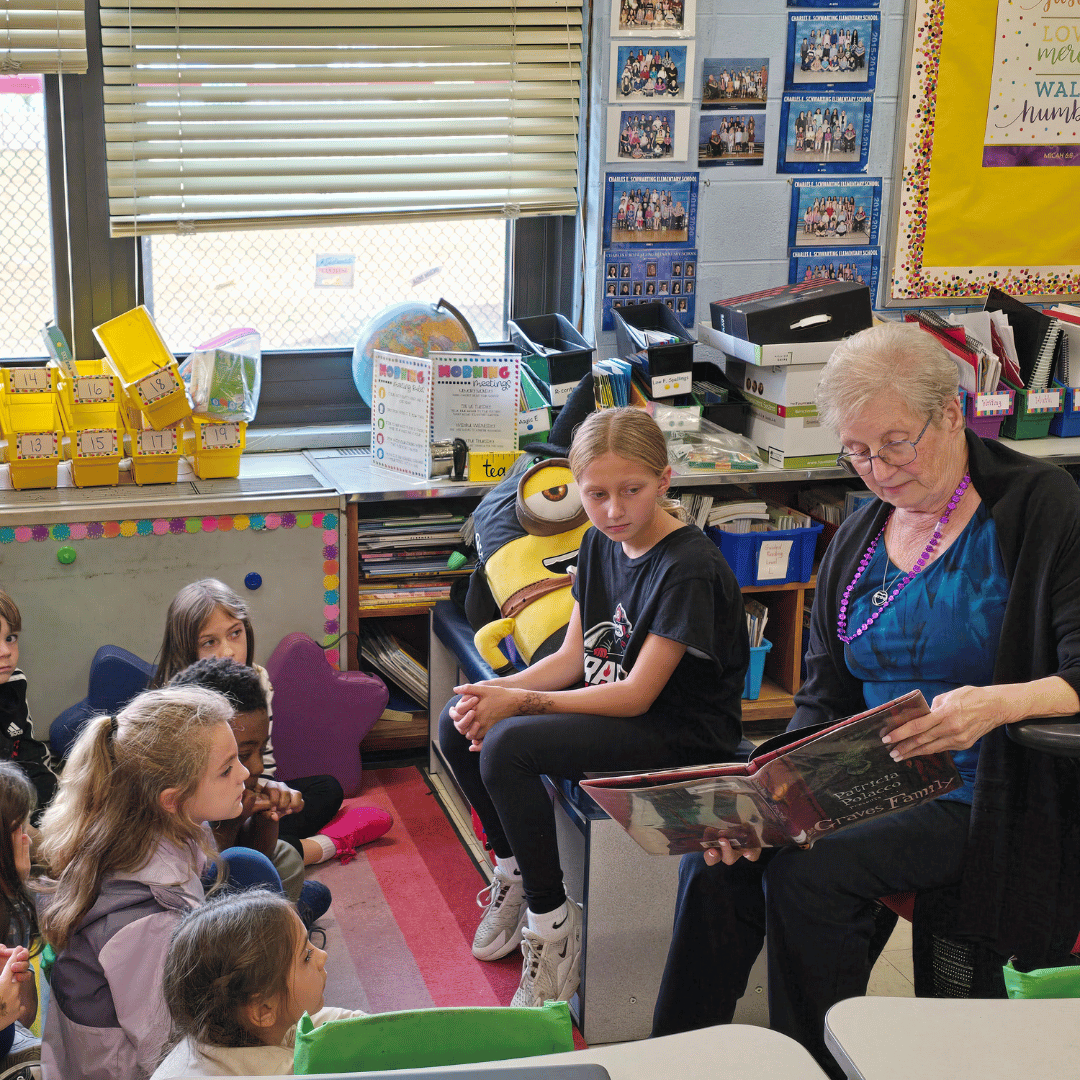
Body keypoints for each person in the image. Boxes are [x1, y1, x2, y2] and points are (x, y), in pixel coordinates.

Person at [652, 322, 1080, 1078]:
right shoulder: (858, 536)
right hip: (870, 779)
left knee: (809, 871)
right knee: (720, 861)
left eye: (896, 444)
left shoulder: (1038, 506)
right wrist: (764, 799)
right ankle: (678, 1058)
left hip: (985, 788)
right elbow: (821, 705)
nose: (877, 469)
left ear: (952, 413)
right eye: (857, 451)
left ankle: (812, 1064)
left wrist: (1000, 703)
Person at [440, 407, 749, 1008]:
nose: (614, 510)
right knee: (467, 725)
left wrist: (520, 704)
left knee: (509, 744)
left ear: (664, 480)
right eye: (597, 494)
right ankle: (515, 869)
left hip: (675, 731)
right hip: (618, 712)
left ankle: (552, 927)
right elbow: (576, 654)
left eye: (631, 491)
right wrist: (497, 694)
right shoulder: (597, 543)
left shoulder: (688, 564)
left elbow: (637, 694)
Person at [37, 686, 248, 1079]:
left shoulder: (148, 834)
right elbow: (166, 1056)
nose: (245, 774)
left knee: (248, 870)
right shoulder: (149, 924)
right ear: (171, 800)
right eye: (227, 768)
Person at [152, 579, 389, 866]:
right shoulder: (174, 704)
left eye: (235, 633)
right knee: (220, 845)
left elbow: (260, 761)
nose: (228, 651)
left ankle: (267, 852)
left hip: (245, 794)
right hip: (201, 816)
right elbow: (183, 800)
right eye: (210, 642)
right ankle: (320, 847)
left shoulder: (257, 680)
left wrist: (272, 794)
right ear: (185, 648)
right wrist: (238, 811)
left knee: (327, 788)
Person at [169, 658, 354, 924]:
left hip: (227, 893)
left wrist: (265, 821)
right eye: (243, 755)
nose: (256, 766)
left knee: (289, 860)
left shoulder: (219, 787)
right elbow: (209, 889)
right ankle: (285, 929)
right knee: (303, 892)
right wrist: (231, 824)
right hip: (199, 919)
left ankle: (285, 922)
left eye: (261, 749)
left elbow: (253, 864)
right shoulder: (172, 819)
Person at [152, 890, 365, 1078]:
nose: (322, 956)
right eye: (306, 956)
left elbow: (320, 1023)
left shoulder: (217, 1032)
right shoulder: (284, 1073)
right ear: (263, 1009)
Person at [0, 590, 58, 823]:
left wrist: (60, 803)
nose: (5, 652)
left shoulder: (14, 683)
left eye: (10, 638)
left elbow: (30, 755)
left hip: (18, 800)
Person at [0, 762, 38, 1068]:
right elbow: (24, 1012)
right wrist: (16, 892)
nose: (29, 839)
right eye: (21, 828)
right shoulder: (11, 910)